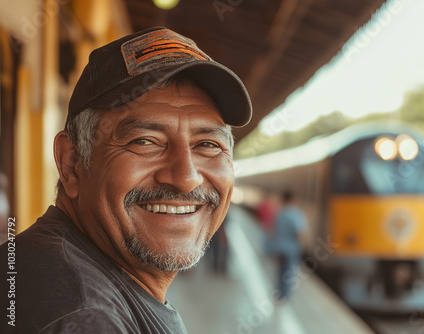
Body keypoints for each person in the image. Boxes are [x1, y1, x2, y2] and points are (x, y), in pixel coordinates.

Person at [0, 27, 251, 333]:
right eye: (145, 141)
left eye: (208, 145)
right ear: (72, 163)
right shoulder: (81, 317)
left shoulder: (60, 271)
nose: (186, 178)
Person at [272, 190, 306, 301]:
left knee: (280, 272)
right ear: (293, 200)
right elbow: (300, 233)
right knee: (289, 273)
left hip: (279, 247)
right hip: (291, 249)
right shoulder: (296, 214)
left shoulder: (280, 213)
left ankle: (278, 294)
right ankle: (285, 296)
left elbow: (273, 230)